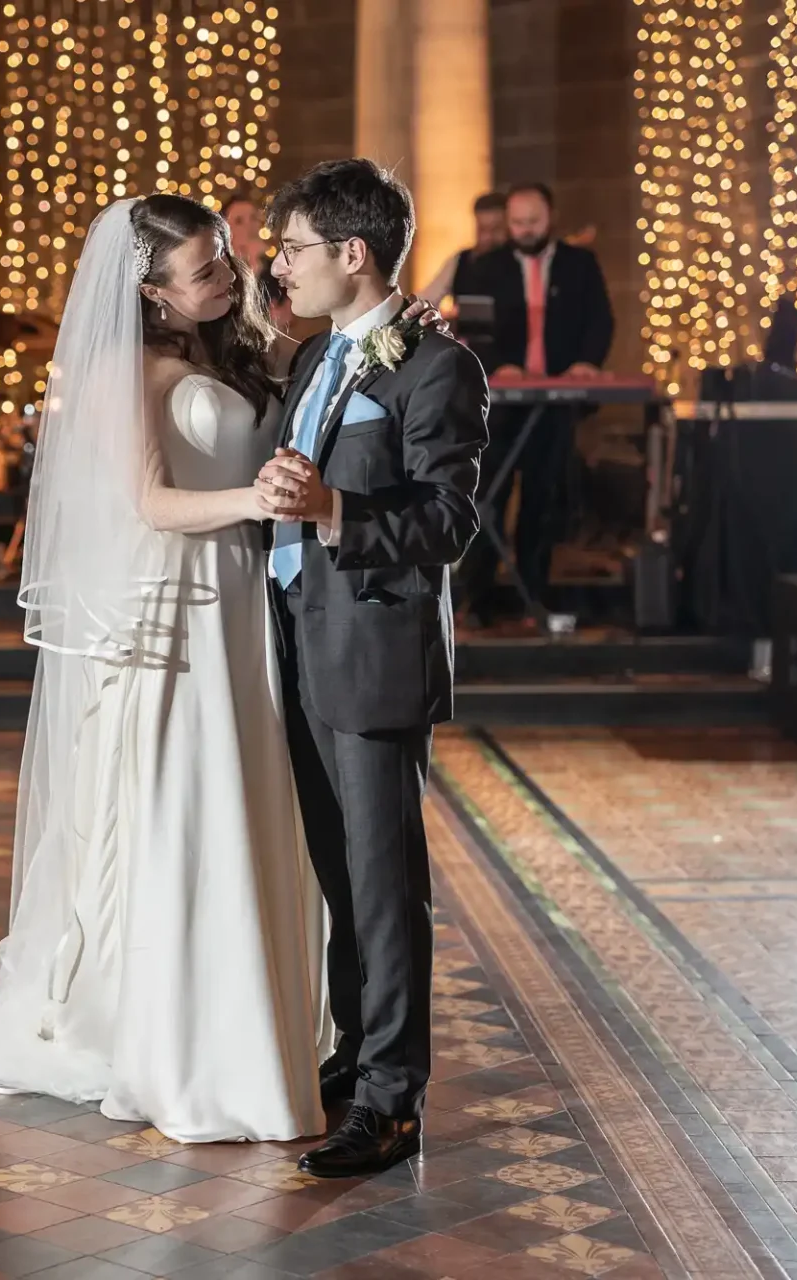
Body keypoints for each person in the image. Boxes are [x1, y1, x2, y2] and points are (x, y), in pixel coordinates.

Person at [0, 194, 329, 1143]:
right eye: (205, 269)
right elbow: (152, 504)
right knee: (185, 806)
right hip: (181, 608)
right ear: (151, 292)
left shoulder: (236, 346)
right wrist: (254, 498)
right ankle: (168, 1033)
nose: (229, 275)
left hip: (247, 605)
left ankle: (254, 1017)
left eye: (223, 259)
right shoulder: (128, 368)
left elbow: (331, 361)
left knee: (248, 797)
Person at [259, 158, 489, 1176]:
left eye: (294, 248)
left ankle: (394, 1101)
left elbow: (448, 521)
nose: (279, 264)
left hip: (375, 651)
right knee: (341, 875)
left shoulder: (439, 367)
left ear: (353, 254)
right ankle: (355, 1055)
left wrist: (335, 511)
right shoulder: (317, 360)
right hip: (302, 641)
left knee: (386, 883)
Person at [458, 181, 615, 621]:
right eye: (518, 223)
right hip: (500, 402)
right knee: (488, 493)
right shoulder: (483, 267)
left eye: (534, 222)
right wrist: (499, 364)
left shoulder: (580, 265)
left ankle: (534, 597)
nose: (525, 230)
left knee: (543, 500)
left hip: (555, 401)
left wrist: (586, 362)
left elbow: (600, 320)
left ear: (551, 218)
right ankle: (478, 600)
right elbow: (473, 329)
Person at [222, 192, 295, 335]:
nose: (249, 227)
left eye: (253, 218)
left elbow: (287, 314)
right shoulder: (220, 270)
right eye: (239, 221)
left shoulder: (276, 269)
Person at [420, 191, 508, 308]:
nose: (488, 237)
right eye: (482, 229)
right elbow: (426, 299)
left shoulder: (524, 262)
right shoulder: (459, 261)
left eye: (496, 229)